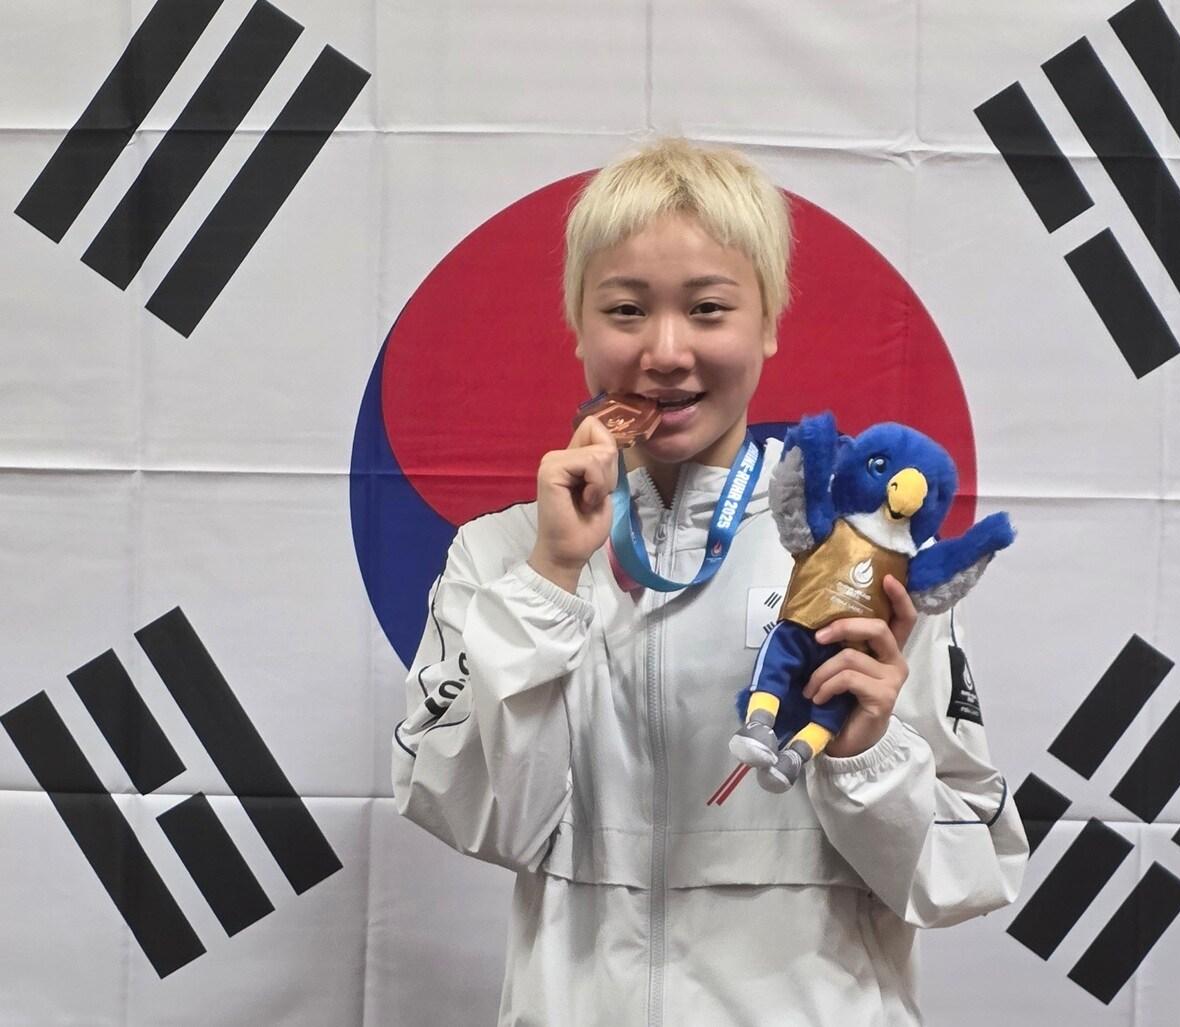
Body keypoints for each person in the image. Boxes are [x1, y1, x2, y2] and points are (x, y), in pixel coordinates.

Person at [391, 136, 1028, 1026]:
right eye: (625, 309)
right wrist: (552, 578)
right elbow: (489, 821)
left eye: (707, 309)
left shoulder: (862, 558)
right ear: (577, 326)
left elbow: (970, 866)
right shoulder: (503, 555)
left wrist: (867, 753)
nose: (665, 350)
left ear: (767, 322)